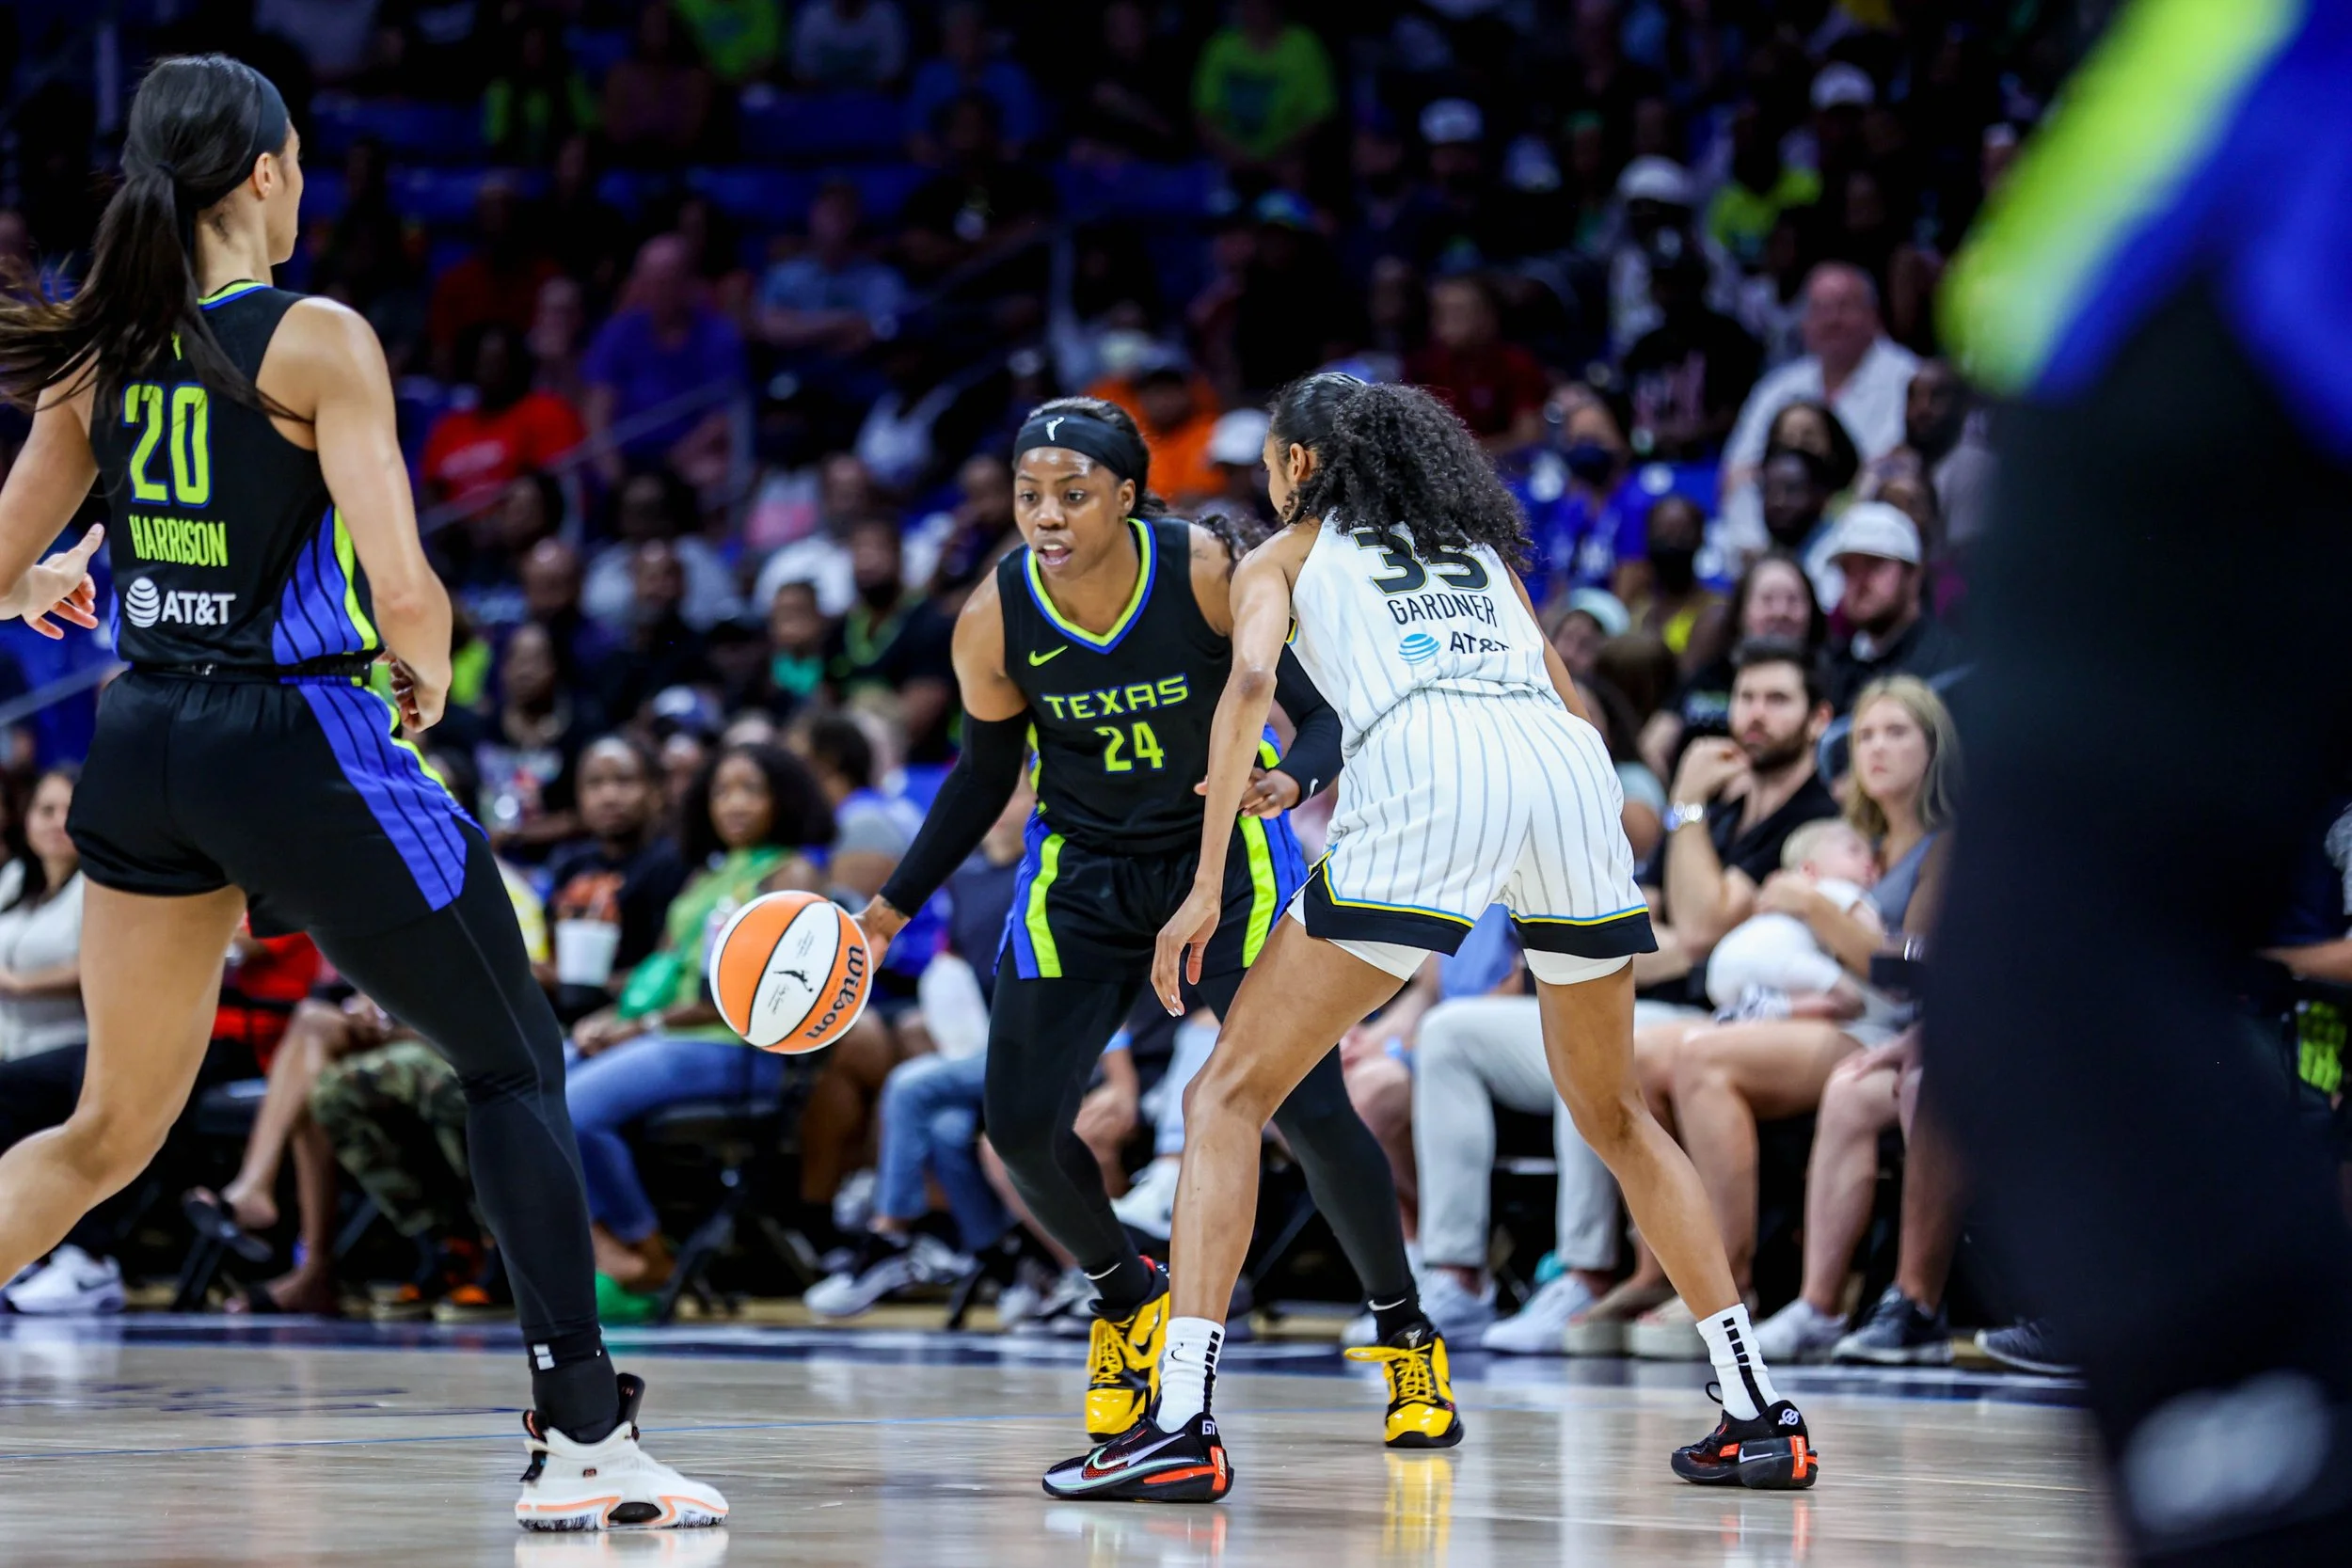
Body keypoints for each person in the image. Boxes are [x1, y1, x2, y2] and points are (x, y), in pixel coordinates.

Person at [0, 57, 723, 1529]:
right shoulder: (316, 334)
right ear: (266, 172)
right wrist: (427, 674)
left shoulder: (101, 345)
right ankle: (585, 1437)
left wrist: (44, 579)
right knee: (514, 1058)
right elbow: (407, 586)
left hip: (141, 739)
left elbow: (3, 560)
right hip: (294, 739)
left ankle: (587, 1431)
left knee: (108, 1128)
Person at [1045, 376, 1814, 1501]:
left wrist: (1204, 883)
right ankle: (1756, 1408)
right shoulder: (1479, 553)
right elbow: (1570, 698)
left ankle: (1178, 1422)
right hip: (1561, 766)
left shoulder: (1284, 554)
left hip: (1432, 766)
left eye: (1268, 461)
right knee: (1614, 1111)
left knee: (1227, 1095)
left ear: (1299, 465)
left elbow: (1251, 680)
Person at [851, 394, 1422, 1447]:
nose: (1046, 515)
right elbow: (981, 778)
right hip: (1082, 876)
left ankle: (1403, 1327)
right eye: (1029, 495)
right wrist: (891, 906)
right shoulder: (994, 615)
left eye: (1072, 494)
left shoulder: (1204, 571)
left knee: (1307, 1108)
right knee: (1021, 1128)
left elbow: (1324, 714)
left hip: (1225, 865)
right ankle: (1125, 1292)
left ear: (1125, 495)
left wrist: (1293, 780)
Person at [564, 741, 833, 1322]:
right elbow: (660, 973)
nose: (734, 804)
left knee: (571, 1106)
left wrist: (641, 1027)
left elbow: (756, 997)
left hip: (738, 1051)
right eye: (721, 791)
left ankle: (645, 1249)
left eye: (751, 790)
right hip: (668, 1036)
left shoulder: (791, 875)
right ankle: (601, 1243)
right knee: (533, 1081)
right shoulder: (705, 877)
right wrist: (609, 1019)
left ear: (783, 799)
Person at [1818, 501, 1968, 712]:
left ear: (1914, 575)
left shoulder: (1949, 662)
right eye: (1848, 569)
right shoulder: (1832, 666)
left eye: (1874, 565)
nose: (1860, 581)